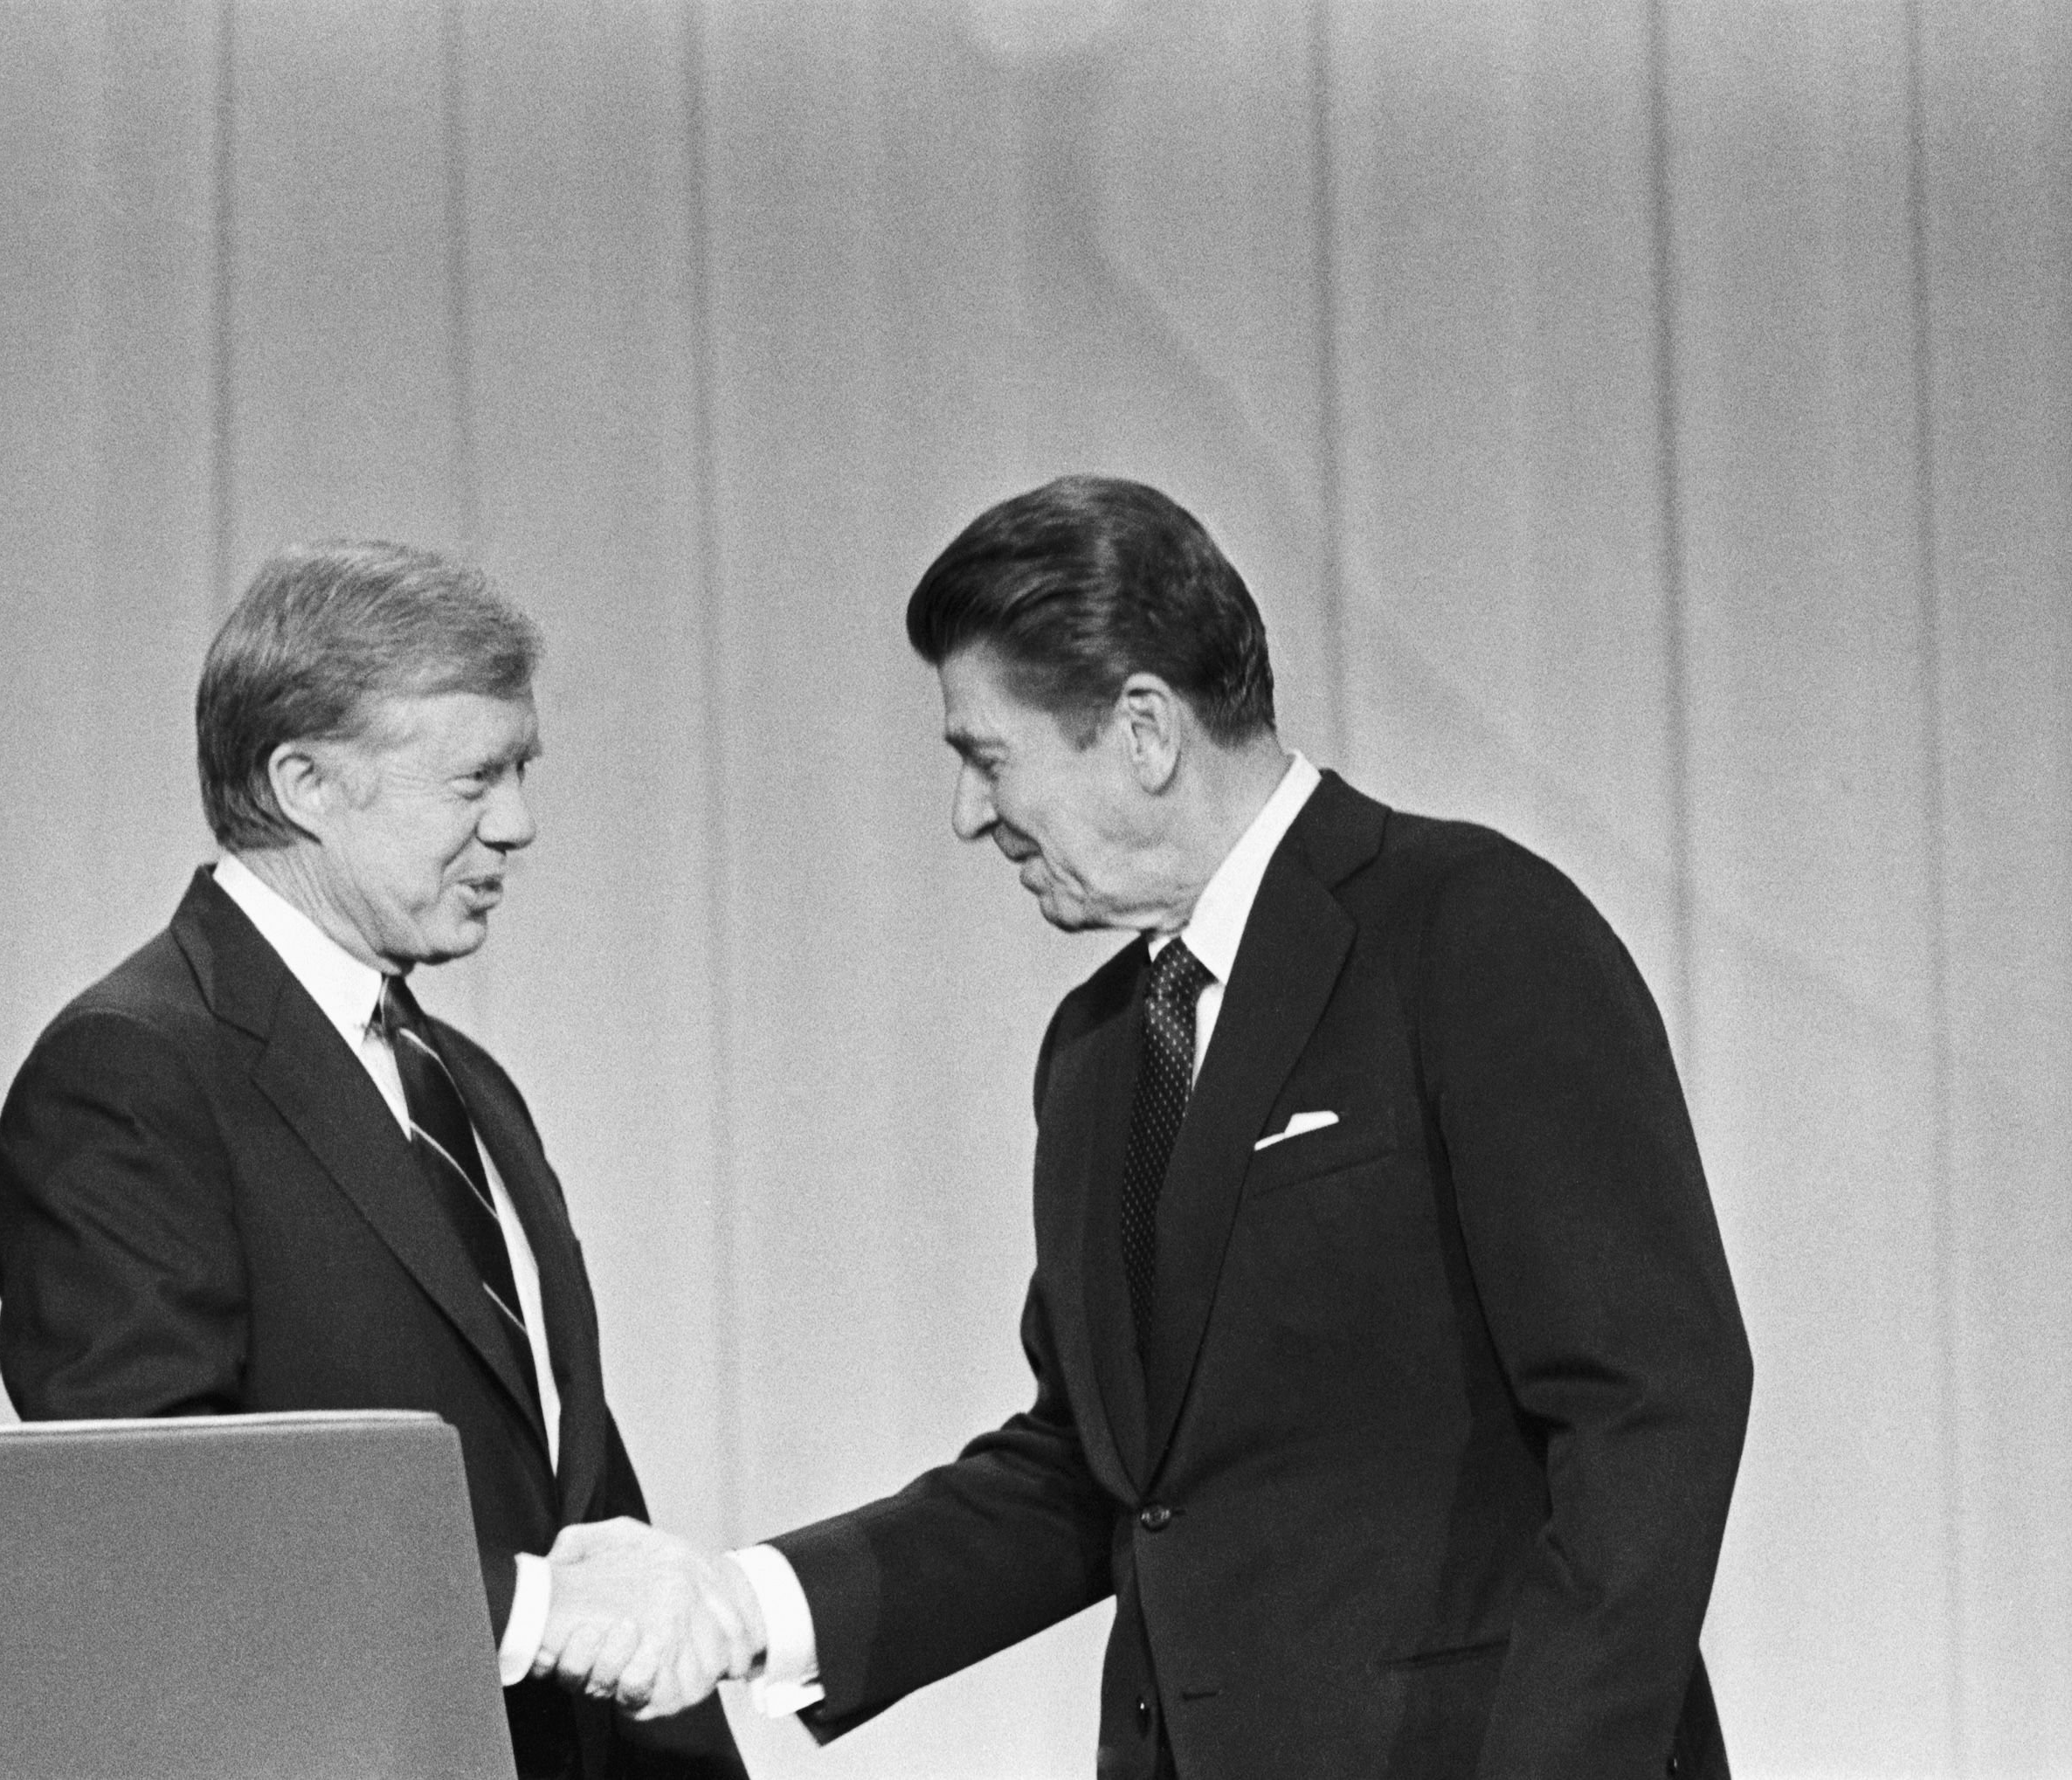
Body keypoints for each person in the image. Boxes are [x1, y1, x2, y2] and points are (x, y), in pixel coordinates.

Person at [542, 477, 1753, 1779]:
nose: (967, 815)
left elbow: (1652, 1402)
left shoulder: (1471, 931)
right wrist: (741, 1604)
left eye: (985, 755)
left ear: (1142, 729)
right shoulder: (1100, 1050)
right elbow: (1090, 1472)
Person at [0, 541, 750, 1780]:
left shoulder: (464, 1080)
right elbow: (149, 1518)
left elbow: (573, 1490)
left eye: (524, 769)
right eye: (475, 778)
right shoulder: (131, 1073)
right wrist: (537, 1614)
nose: (520, 823)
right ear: (305, 782)